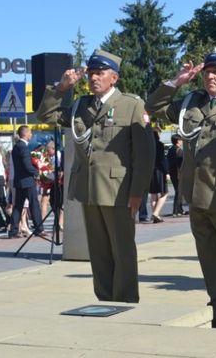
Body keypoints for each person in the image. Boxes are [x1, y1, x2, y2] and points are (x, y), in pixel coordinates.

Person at [145, 48, 216, 329]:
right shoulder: (190, 104)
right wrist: (177, 81)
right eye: (207, 71)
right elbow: (153, 107)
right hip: (197, 195)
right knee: (209, 257)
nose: (210, 76)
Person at [36, 49, 155, 303]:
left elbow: (144, 156)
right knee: (98, 251)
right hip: (89, 189)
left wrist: (137, 193)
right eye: (91, 73)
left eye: (99, 73)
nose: (93, 78)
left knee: (121, 250)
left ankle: (124, 300)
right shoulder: (81, 105)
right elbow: (45, 116)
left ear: (114, 78)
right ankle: (104, 300)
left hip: (119, 190)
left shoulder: (131, 105)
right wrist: (61, 88)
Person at [8, 125, 47, 239]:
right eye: (30, 133)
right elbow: (27, 165)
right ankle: (39, 229)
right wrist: (37, 172)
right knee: (34, 204)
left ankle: (13, 231)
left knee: (18, 207)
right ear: (25, 133)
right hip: (27, 181)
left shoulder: (16, 146)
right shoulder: (23, 147)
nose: (31, 135)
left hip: (19, 181)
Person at [149, 129, 169, 223]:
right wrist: (166, 172)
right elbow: (162, 160)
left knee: (153, 193)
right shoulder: (160, 144)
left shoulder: (147, 145)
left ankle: (155, 215)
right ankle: (156, 213)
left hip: (150, 171)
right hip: (159, 171)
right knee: (164, 193)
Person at [167, 134, 184, 216]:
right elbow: (181, 163)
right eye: (181, 140)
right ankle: (176, 210)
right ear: (178, 141)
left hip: (172, 172)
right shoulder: (179, 151)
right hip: (178, 173)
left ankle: (180, 209)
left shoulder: (171, 149)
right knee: (179, 191)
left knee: (178, 191)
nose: (182, 141)